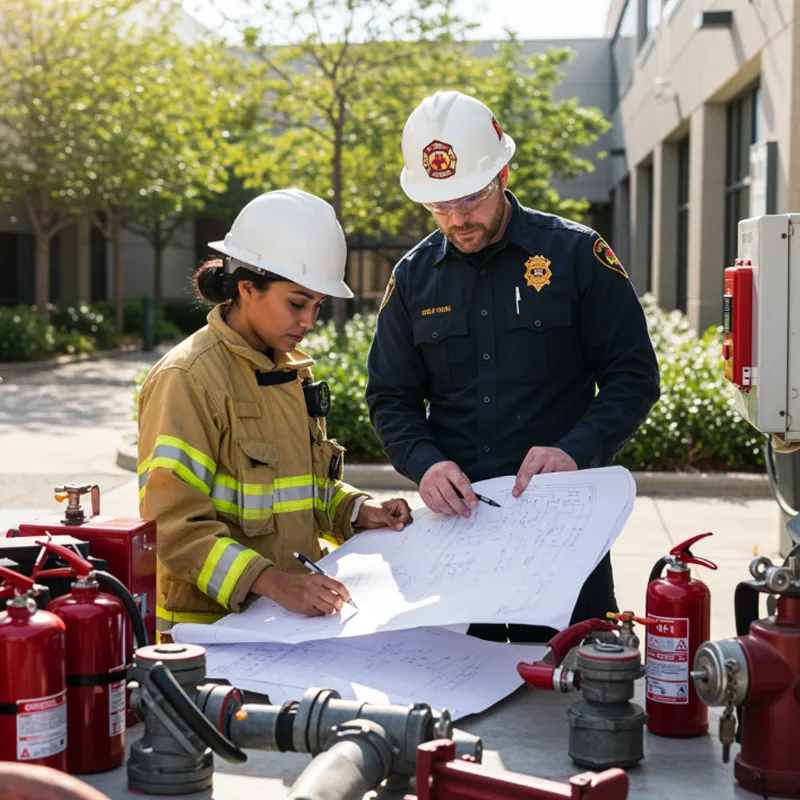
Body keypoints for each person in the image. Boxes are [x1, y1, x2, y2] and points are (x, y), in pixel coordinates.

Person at [366, 91, 660, 643]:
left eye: (469, 199)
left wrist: (574, 451)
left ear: (503, 173)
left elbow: (633, 377)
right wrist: (425, 464)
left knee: (574, 697)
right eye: (438, 206)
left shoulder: (576, 255)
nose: (455, 219)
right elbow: (390, 396)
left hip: (563, 535)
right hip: (457, 539)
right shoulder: (413, 277)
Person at [138, 189, 412, 641]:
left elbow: (297, 491)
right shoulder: (187, 378)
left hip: (288, 627)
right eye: (297, 302)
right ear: (247, 288)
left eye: (318, 305)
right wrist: (276, 584)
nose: (309, 321)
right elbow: (174, 529)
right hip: (210, 636)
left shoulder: (288, 373)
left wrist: (360, 511)